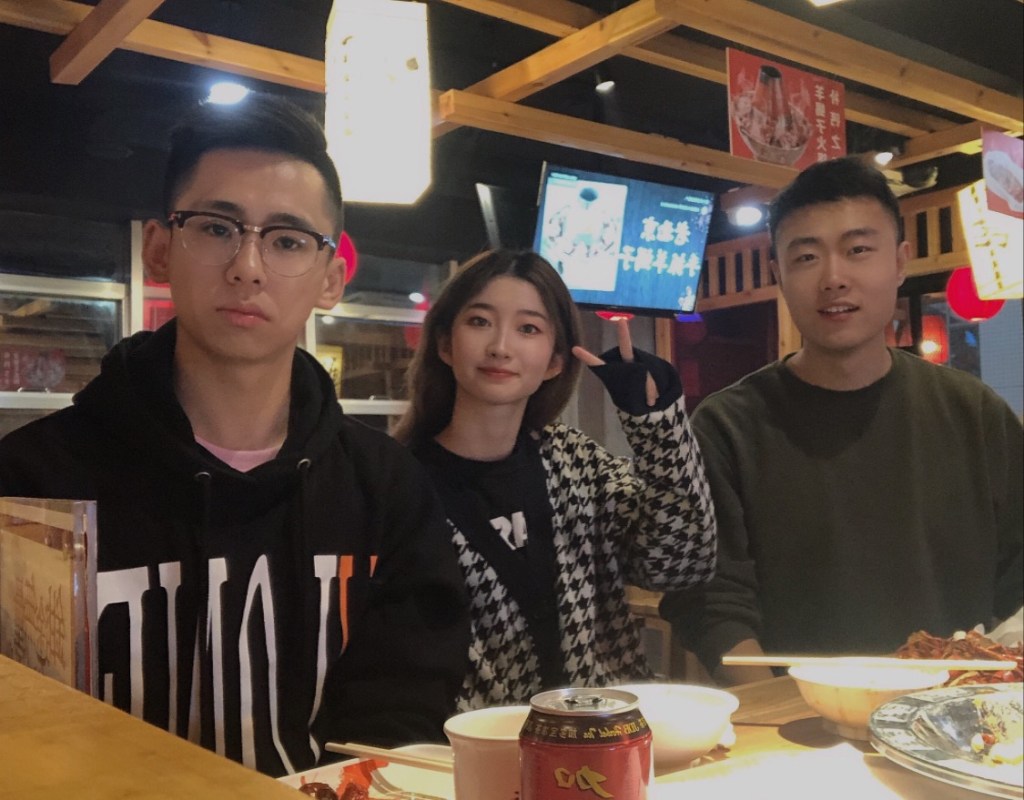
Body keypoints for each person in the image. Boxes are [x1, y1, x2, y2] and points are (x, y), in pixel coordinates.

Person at [0, 94, 469, 776]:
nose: (248, 266)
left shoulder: (385, 487)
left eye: (286, 240)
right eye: (217, 228)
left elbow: (399, 717)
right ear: (159, 248)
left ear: (331, 278)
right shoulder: (31, 481)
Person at [659, 156, 1024, 686]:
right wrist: (784, 711)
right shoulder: (727, 427)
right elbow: (711, 600)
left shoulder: (975, 413)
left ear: (899, 262)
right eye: (806, 257)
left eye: (858, 250)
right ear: (778, 274)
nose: (834, 278)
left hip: (958, 714)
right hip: (797, 719)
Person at [392, 249, 717, 710]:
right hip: (479, 741)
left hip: (604, 728)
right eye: (480, 321)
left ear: (555, 361)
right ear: (445, 344)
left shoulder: (575, 461)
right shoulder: (399, 485)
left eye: (528, 328)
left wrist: (657, 427)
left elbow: (681, 564)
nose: (500, 346)